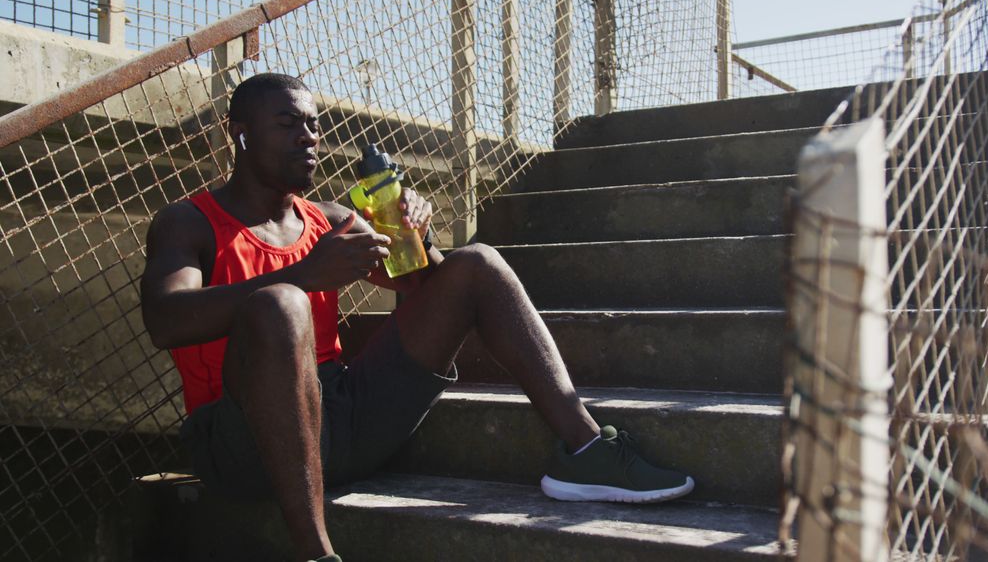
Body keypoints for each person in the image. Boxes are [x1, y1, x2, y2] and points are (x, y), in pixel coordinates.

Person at [139, 73, 693, 562]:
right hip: (242, 442)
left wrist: (418, 233)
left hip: (344, 421)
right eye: (287, 123)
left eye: (313, 124)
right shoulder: (189, 222)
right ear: (239, 131)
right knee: (280, 304)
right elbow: (165, 321)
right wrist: (303, 275)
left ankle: (588, 450)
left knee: (476, 264)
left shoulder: (330, 219)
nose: (308, 137)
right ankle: (316, 552)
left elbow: (424, 284)